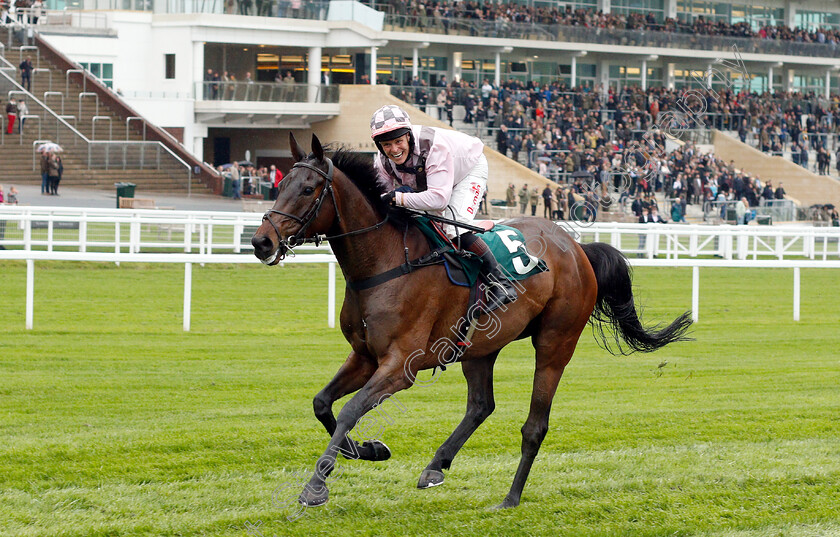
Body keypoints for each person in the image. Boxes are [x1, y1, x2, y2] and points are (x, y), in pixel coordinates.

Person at [370, 104, 517, 307]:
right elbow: (380, 199)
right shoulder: (382, 161)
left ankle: (502, 283)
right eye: (387, 145)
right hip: (435, 180)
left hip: (467, 171)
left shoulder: (434, 146)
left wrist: (398, 198)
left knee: (453, 226)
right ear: (379, 146)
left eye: (398, 141)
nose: (394, 150)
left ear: (409, 137)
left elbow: (439, 199)